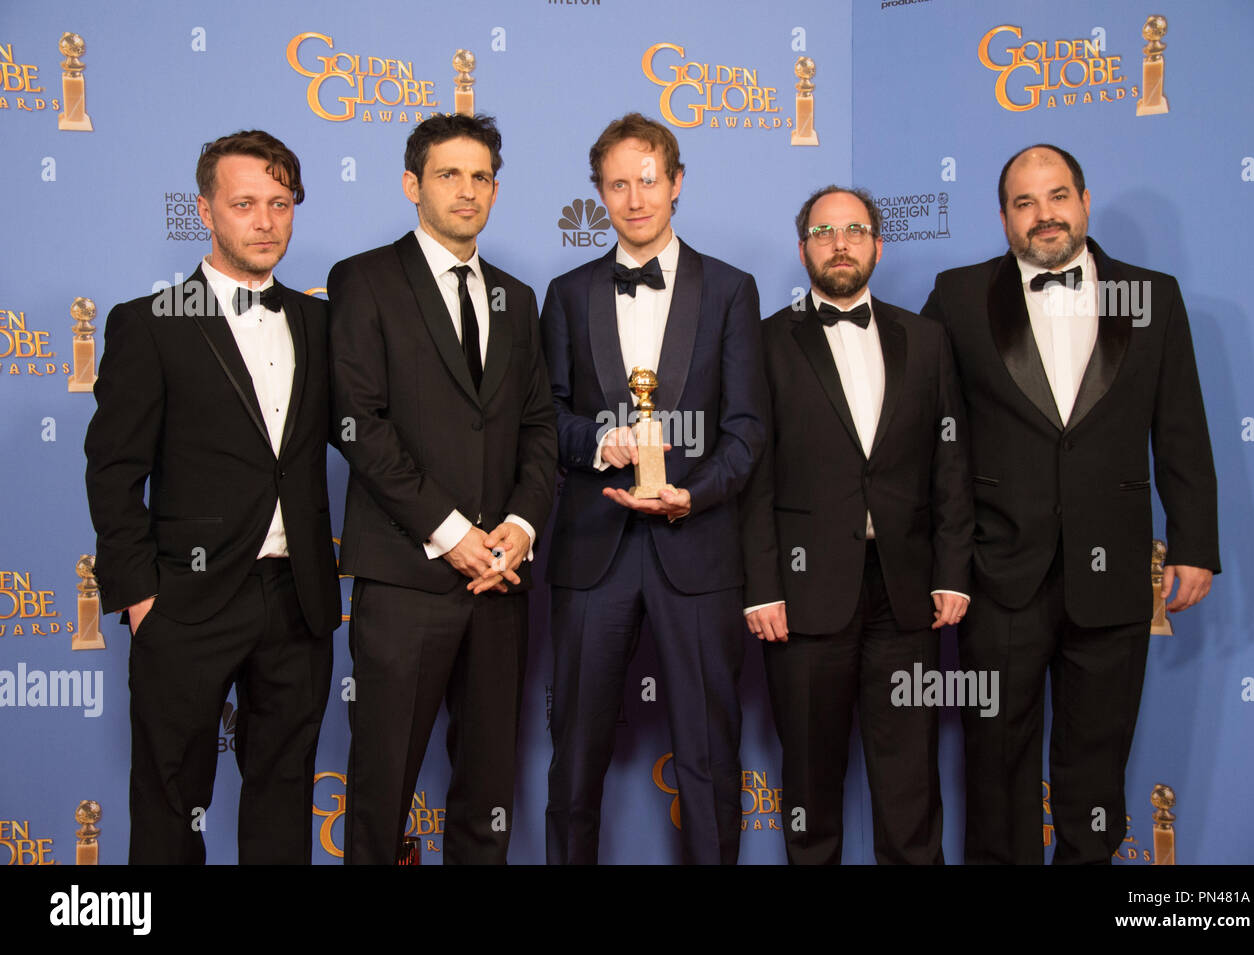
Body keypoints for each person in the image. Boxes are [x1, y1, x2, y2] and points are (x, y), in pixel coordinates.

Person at [921, 144, 1219, 864]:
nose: (1043, 215)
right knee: (996, 768)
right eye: (1024, 203)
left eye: (1057, 197)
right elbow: (926, 429)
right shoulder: (958, 296)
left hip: (1115, 572)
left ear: (1084, 201)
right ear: (1003, 218)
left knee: (1095, 770)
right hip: (997, 573)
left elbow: (1179, 426)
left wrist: (1194, 543)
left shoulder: (1153, 294)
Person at [85, 130, 340, 864]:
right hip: (186, 602)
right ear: (206, 211)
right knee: (170, 803)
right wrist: (142, 599)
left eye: (280, 203)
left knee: (283, 794)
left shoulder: (322, 323)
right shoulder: (148, 322)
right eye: (245, 203)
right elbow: (112, 469)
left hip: (298, 598)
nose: (265, 221)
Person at [328, 113, 556, 865]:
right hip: (406, 577)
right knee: (381, 787)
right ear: (411, 185)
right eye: (448, 174)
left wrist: (520, 524)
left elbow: (538, 428)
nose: (467, 190)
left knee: (489, 789)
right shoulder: (363, 279)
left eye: (481, 176)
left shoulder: (517, 299)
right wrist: (451, 532)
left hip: (502, 578)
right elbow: (359, 423)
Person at [540, 112, 766, 864]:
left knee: (706, 758)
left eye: (648, 179)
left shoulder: (732, 289)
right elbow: (548, 422)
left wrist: (692, 495)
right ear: (600, 194)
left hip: (695, 550)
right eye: (617, 184)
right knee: (574, 760)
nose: (635, 198)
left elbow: (745, 430)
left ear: (676, 183)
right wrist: (602, 442)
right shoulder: (566, 293)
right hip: (592, 552)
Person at [741, 185, 971, 864]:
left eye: (854, 229)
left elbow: (951, 462)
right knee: (810, 784)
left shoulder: (927, 340)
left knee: (910, 784)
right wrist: (761, 584)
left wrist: (954, 570)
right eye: (823, 232)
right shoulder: (763, 341)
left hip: (906, 595)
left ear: (877, 242)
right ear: (803, 246)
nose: (839, 243)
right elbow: (753, 475)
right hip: (803, 595)